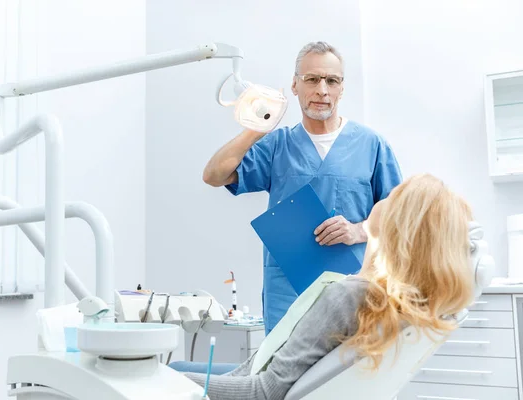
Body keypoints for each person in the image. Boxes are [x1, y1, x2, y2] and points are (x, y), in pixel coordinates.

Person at [183, 174, 476, 400]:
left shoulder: (349, 296)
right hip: (250, 376)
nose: (385, 198)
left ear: (401, 227)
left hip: (254, 388)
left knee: (164, 372)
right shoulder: (386, 297)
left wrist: (158, 378)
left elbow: (263, 391)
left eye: (396, 197)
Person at [203, 41, 403, 334]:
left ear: (341, 88)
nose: (322, 89)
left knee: (344, 373)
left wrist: (358, 230)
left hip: (351, 289)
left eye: (331, 80)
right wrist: (258, 128)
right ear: (295, 85)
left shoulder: (371, 145)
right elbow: (214, 174)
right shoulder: (277, 145)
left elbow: (399, 212)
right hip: (287, 293)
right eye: (312, 79)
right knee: (283, 375)